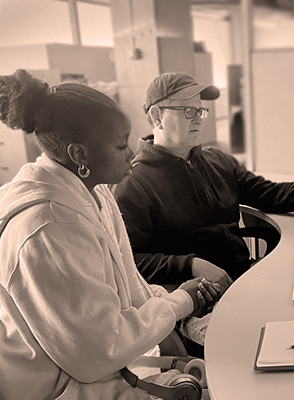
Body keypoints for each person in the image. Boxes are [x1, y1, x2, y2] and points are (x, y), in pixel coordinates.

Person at [0, 70, 219, 400]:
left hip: (91, 363)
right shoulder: (49, 228)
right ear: (79, 155)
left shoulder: (95, 192)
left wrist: (176, 312)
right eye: (120, 146)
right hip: (54, 385)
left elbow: (128, 285)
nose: (132, 153)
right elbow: (98, 352)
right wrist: (179, 304)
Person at [111, 72, 294, 295]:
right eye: (188, 111)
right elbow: (127, 260)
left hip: (243, 277)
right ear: (157, 116)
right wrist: (189, 264)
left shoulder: (216, 160)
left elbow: (270, 194)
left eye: (200, 111)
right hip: (195, 297)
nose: (199, 119)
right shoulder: (134, 184)